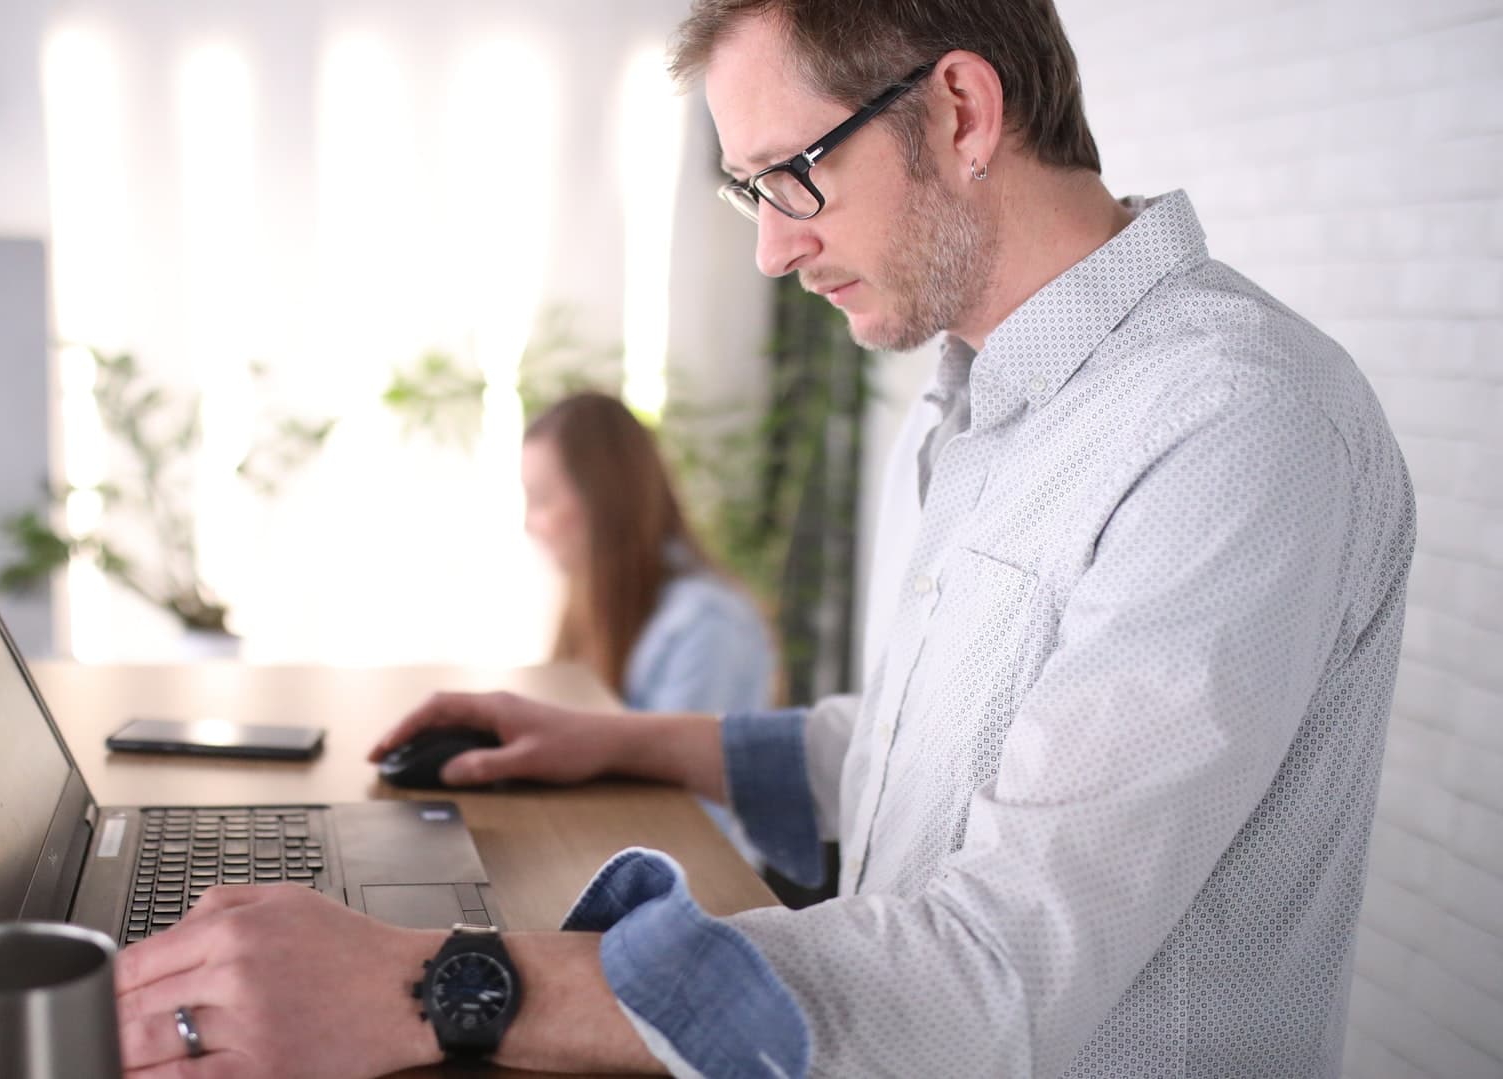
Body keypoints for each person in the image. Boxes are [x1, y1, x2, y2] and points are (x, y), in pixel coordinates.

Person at [111, 0, 1416, 1075]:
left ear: (962, 111)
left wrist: (427, 983)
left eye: (796, 174)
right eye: (752, 193)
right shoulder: (982, 399)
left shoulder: (1236, 427)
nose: (775, 251)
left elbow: (997, 959)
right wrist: (613, 736)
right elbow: (915, 753)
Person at [521, 392, 775, 861]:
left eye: (540, 500)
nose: (528, 524)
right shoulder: (599, 605)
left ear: (602, 499)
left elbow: (680, 816)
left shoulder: (707, 624)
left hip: (699, 882)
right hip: (620, 855)